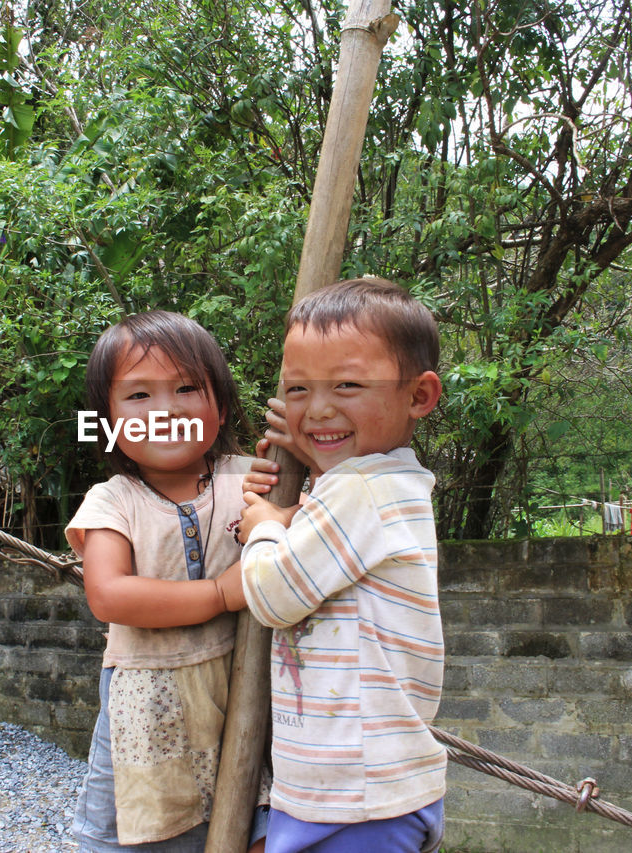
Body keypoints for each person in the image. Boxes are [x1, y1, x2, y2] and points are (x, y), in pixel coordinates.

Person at [235, 278, 448, 853]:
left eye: (349, 384)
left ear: (419, 397)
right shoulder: (382, 489)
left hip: (355, 799)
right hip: (352, 791)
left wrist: (262, 529)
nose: (319, 408)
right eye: (298, 389)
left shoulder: (363, 495)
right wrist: (309, 470)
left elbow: (275, 593)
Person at [65, 311, 265, 852]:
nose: (166, 410)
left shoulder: (249, 479)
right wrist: (219, 593)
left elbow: (309, 517)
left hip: (243, 687)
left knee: (255, 822)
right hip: (145, 705)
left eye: (186, 388)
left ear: (220, 409)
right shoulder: (113, 501)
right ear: (105, 421)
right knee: (137, 829)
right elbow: (109, 594)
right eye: (137, 396)